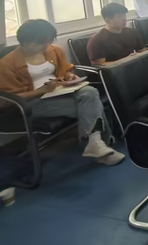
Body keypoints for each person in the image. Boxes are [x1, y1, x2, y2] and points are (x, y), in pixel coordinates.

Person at [0, 20, 124, 166]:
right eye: (41, 43)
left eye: (48, 41)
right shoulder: (7, 64)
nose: (46, 45)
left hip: (59, 93)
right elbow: (7, 100)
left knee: (89, 91)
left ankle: (96, 145)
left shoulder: (53, 51)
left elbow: (65, 70)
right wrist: (40, 91)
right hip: (32, 103)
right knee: (91, 104)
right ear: (25, 42)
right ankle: (99, 145)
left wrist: (69, 76)